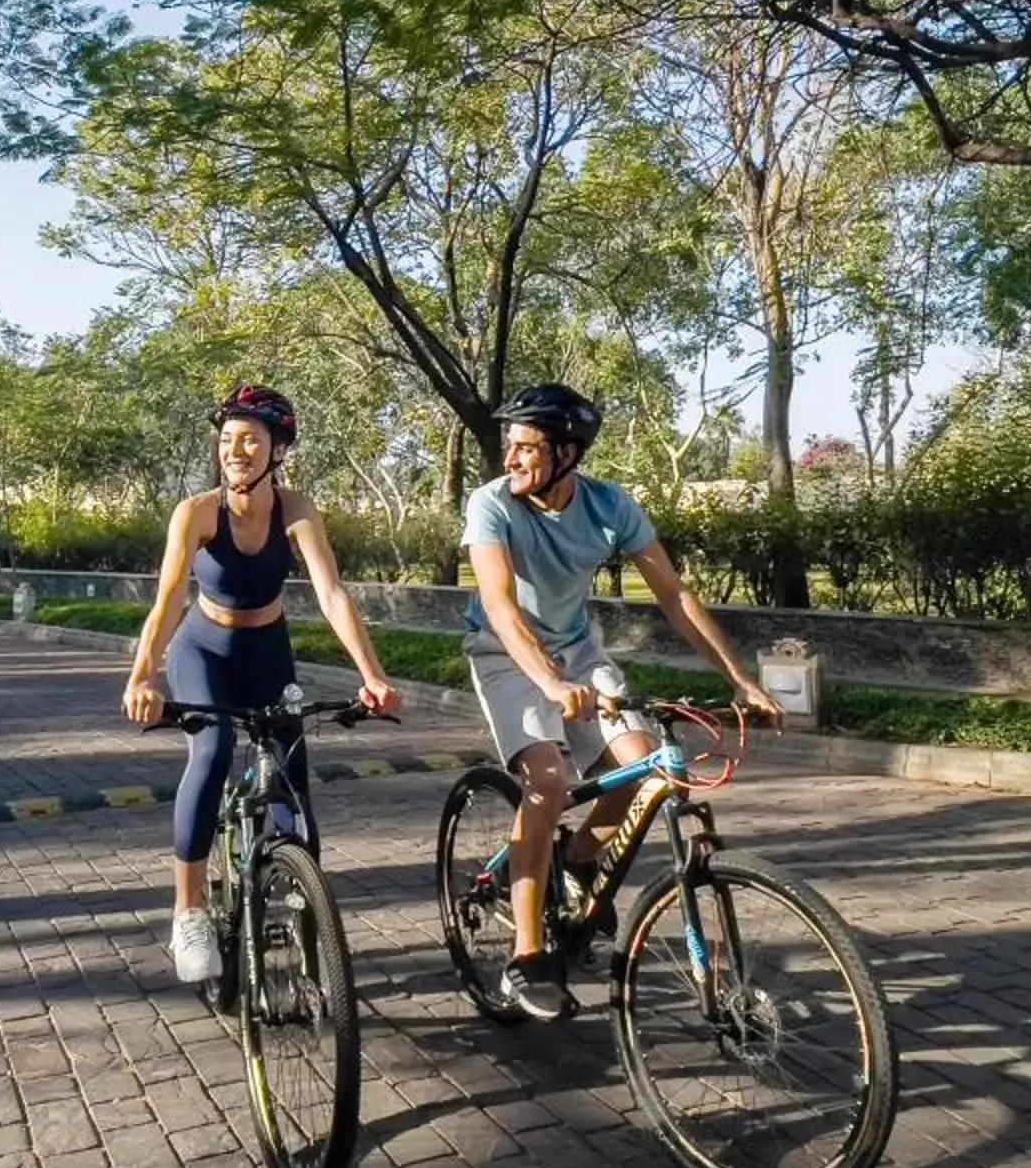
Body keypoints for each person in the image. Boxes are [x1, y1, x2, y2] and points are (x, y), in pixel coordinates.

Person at [463, 382, 779, 1021]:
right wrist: (550, 686)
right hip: (505, 654)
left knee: (651, 770)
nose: (512, 460)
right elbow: (498, 604)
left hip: (580, 655)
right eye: (511, 447)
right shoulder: (492, 504)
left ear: (567, 453)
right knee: (546, 782)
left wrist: (741, 680)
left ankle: (575, 860)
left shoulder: (610, 506)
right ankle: (527, 959)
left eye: (527, 448)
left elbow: (675, 596)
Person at [123, 383, 401, 983]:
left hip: (268, 651)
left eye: (250, 439)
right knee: (214, 749)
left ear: (278, 448)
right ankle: (189, 911)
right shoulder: (197, 511)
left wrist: (371, 674)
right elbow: (170, 598)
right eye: (227, 440)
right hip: (205, 650)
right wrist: (144, 672)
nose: (236, 450)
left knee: (293, 779)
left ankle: (309, 920)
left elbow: (331, 594)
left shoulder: (296, 509)